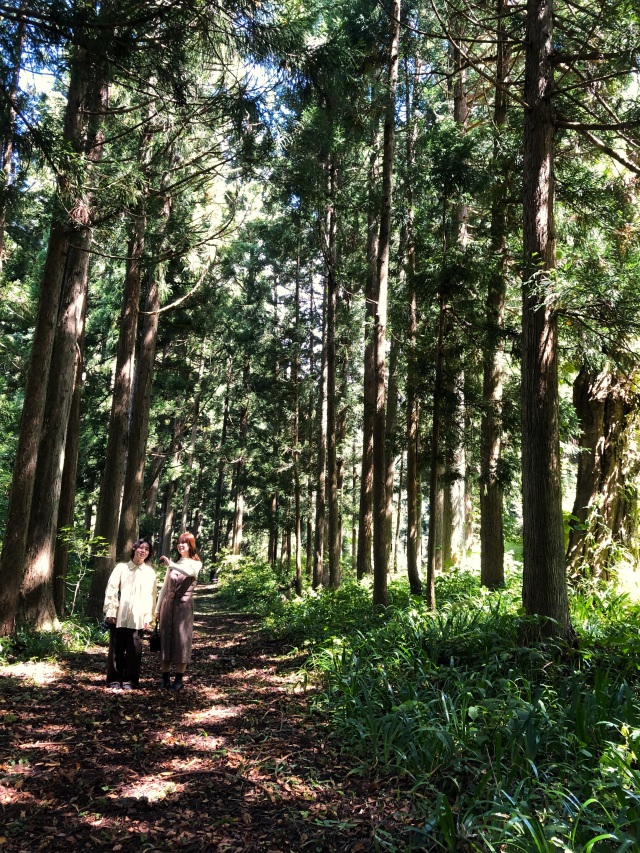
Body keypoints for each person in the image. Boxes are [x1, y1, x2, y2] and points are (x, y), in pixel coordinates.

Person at [103, 537, 157, 690]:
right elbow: (111, 589)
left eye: (147, 549)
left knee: (134, 650)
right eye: (141, 548)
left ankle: (130, 680)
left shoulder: (150, 573)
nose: (143, 551)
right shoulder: (121, 568)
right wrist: (111, 611)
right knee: (116, 649)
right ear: (134, 549)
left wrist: (148, 617)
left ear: (149, 553)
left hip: (138, 618)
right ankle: (114, 679)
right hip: (119, 616)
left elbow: (151, 597)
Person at [155, 532, 202, 691]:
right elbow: (164, 588)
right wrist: (157, 609)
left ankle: (179, 679)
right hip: (168, 605)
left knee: (182, 641)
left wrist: (171, 564)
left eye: (185, 543)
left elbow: (191, 573)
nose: (181, 545)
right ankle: (165, 678)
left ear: (191, 546)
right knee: (165, 641)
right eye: (179, 543)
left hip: (184, 606)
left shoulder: (196, 563)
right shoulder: (173, 563)